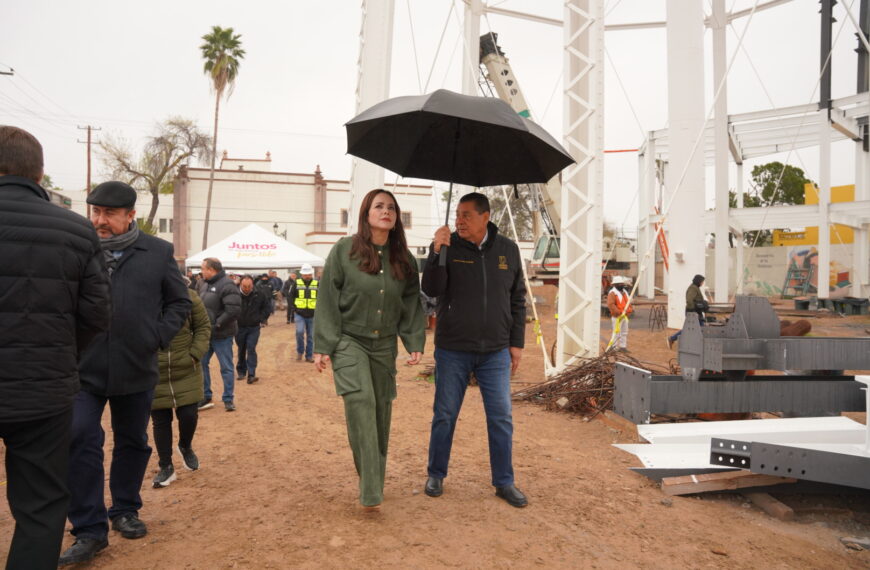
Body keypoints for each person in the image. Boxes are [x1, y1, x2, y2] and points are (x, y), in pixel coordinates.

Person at [60, 180, 191, 566]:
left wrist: (157, 336)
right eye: (95, 212)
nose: (100, 221)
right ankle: (88, 528)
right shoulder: (76, 248)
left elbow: (179, 301)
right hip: (83, 367)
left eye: (109, 214)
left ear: (130, 215)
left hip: (136, 365)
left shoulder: (157, 252)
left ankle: (124, 510)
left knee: (133, 441)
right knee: (80, 436)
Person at [0, 126, 111, 570]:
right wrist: (60, 350)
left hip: (44, 382)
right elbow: (97, 315)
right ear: (40, 173)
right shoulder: (76, 231)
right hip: (44, 388)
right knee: (41, 503)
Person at [313, 188, 425, 511]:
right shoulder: (344, 251)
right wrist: (323, 344)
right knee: (361, 402)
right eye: (379, 206)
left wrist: (414, 339)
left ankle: (373, 478)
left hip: (384, 344)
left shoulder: (403, 258)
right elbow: (327, 297)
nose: (386, 211)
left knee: (381, 411)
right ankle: (371, 489)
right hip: (350, 340)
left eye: (391, 207)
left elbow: (410, 301)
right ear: (365, 214)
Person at [421, 192, 528, 508]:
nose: (459, 220)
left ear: (486, 217)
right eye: (457, 214)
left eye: (467, 215)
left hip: (495, 351)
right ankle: (436, 474)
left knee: (501, 418)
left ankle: (504, 482)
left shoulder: (507, 250)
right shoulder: (448, 246)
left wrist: (516, 344)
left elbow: (517, 299)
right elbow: (432, 288)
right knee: (444, 415)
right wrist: (436, 250)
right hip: (453, 348)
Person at [151, 280, 211, 488]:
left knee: (188, 414)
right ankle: (166, 466)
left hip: (186, 368)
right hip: (154, 371)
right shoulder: (143, 297)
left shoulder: (189, 296)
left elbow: (203, 326)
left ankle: (185, 445)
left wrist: (194, 354)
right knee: (160, 419)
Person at [197, 258, 241, 411]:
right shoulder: (203, 284)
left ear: (211, 269)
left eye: (203, 269)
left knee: (226, 367)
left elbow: (233, 310)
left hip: (222, 334)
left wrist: (217, 324)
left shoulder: (227, 285)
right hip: (205, 334)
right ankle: (206, 395)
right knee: (201, 363)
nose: (201, 272)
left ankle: (228, 399)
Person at [235, 275, 270, 383]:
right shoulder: (234, 294)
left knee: (251, 348)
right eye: (244, 286)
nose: (247, 289)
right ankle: (241, 371)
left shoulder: (259, 294)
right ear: (240, 284)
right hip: (239, 327)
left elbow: (266, 307)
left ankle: (251, 374)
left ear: (252, 285)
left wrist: (262, 319)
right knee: (241, 348)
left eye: (249, 286)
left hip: (254, 327)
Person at [667, 274, 708, 349]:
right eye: (702, 281)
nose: (702, 283)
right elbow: (689, 300)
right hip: (693, 312)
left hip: (695, 312)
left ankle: (673, 339)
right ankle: (672, 338)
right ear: (698, 281)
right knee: (695, 328)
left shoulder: (695, 288)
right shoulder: (693, 288)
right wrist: (692, 311)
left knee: (697, 328)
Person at [290, 264, 318, 362]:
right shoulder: (296, 283)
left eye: (309, 274)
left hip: (312, 314)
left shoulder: (317, 283)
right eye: (305, 274)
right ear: (302, 274)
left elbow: (321, 298)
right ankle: (300, 351)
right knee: (299, 332)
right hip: (299, 314)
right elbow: (291, 297)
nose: (307, 276)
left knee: (310, 336)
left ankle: (309, 356)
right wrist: (294, 309)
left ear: (312, 274)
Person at [606, 276, 633, 351]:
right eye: (619, 284)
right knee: (616, 332)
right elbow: (611, 304)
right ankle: (614, 347)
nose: (621, 285)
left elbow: (628, 303)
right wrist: (619, 312)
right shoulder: (612, 293)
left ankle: (622, 347)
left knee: (624, 332)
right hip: (617, 316)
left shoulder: (624, 293)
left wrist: (629, 310)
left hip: (624, 316)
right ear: (615, 285)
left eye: (621, 283)